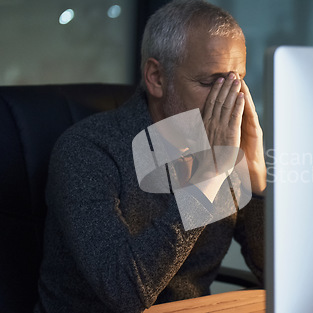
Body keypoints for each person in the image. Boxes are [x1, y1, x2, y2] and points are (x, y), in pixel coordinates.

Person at [34, 1, 266, 312]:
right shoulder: (87, 150)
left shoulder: (224, 147)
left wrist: (256, 182)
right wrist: (207, 177)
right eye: (211, 83)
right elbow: (124, 292)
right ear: (156, 77)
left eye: (237, 81)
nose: (229, 100)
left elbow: (274, 271)